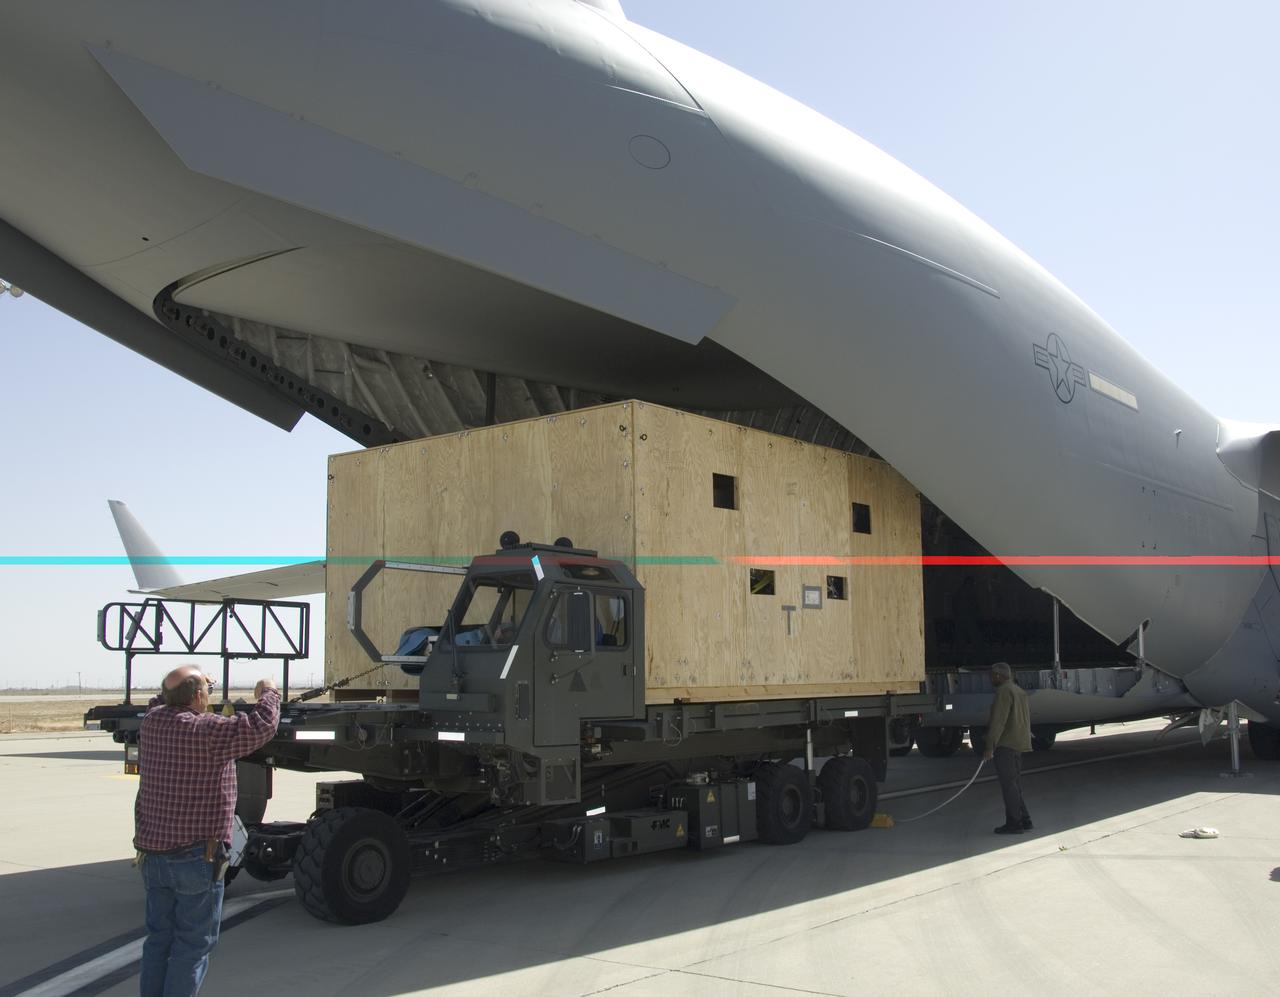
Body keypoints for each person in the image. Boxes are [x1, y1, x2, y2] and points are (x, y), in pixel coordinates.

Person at [134, 666, 280, 996]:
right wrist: (268, 692)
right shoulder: (209, 731)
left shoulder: (152, 722)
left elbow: (160, 701)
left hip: (154, 856)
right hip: (197, 856)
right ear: (198, 697)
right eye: (206, 691)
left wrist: (193, 684)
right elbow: (261, 726)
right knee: (191, 947)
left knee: (158, 941)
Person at [982, 661, 1032, 834]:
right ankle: (1025, 819)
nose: (990, 679)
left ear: (998, 675)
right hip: (1018, 743)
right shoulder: (1019, 691)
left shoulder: (1003, 691)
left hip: (1006, 744)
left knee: (1009, 785)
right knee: (1015, 784)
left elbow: (998, 721)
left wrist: (990, 745)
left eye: (991, 675)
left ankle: (1014, 823)